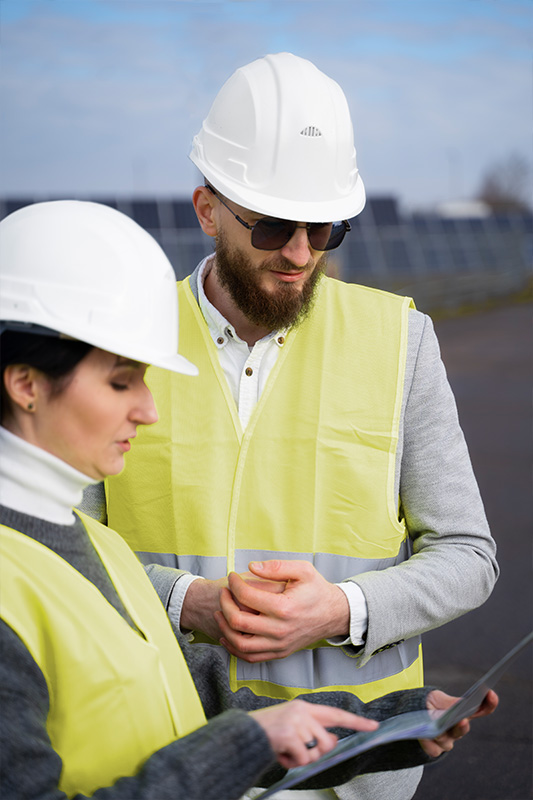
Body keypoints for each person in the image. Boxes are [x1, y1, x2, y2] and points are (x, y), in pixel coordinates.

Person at [0, 200, 500, 800]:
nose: (151, 409)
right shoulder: (33, 564)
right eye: (120, 381)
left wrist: (390, 722)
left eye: (322, 231)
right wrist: (243, 743)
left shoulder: (95, 549)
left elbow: (190, 685)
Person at [102, 53, 499, 800]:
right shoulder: (124, 339)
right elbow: (52, 551)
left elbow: (468, 554)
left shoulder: (399, 340)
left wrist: (344, 611)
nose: (298, 255)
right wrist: (181, 599)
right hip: (174, 760)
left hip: (351, 777)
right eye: (276, 226)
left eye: (323, 231)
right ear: (206, 208)